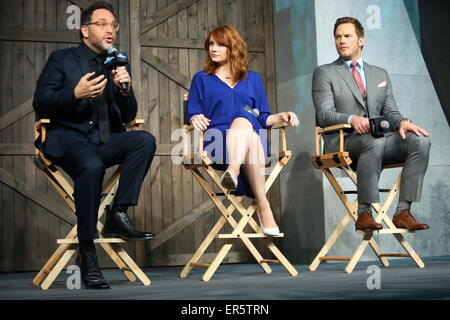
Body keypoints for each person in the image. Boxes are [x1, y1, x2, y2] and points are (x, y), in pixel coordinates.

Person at [33, 2, 156, 289]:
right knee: (91, 165)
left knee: (144, 140)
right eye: (102, 24)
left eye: (113, 25)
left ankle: (118, 212)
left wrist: (125, 90)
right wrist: (73, 93)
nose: (110, 29)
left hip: (103, 140)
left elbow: (126, 116)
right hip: (68, 138)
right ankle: (88, 253)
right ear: (85, 30)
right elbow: (40, 102)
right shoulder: (62, 59)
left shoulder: (117, 64)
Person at [312, 17, 431, 232]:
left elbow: (391, 112)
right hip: (344, 141)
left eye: (347, 36)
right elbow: (324, 115)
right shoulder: (324, 72)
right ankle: (364, 212)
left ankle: (403, 212)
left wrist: (403, 122)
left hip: (378, 140)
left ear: (361, 40)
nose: (342, 40)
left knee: (420, 141)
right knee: (372, 142)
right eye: (338, 36)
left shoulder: (380, 73)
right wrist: (352, 119)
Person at [186, 25, 299, 236]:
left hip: (250, 140)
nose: (213, 48)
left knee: (246, 119)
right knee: (250, 129)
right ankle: (263, 204)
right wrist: (195, 117)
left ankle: (234, 171)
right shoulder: (202, 79)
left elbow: (263, 117)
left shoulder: (253, 79)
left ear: (233, 47)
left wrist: (281, 116)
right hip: (218, 142)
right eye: (211, 43)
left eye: (220, 44)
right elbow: (193, 111)